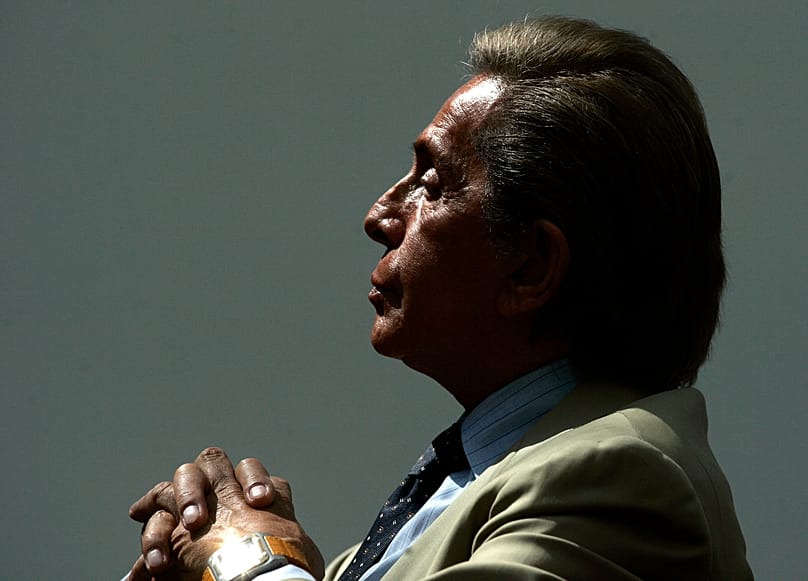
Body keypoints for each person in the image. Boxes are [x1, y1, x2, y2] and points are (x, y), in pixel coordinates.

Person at [124, 16, 752, 581]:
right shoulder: (471, 489)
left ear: (530, 265)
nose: (379, 215)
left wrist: (248, 562)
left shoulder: (621, 476)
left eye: (431, 182)